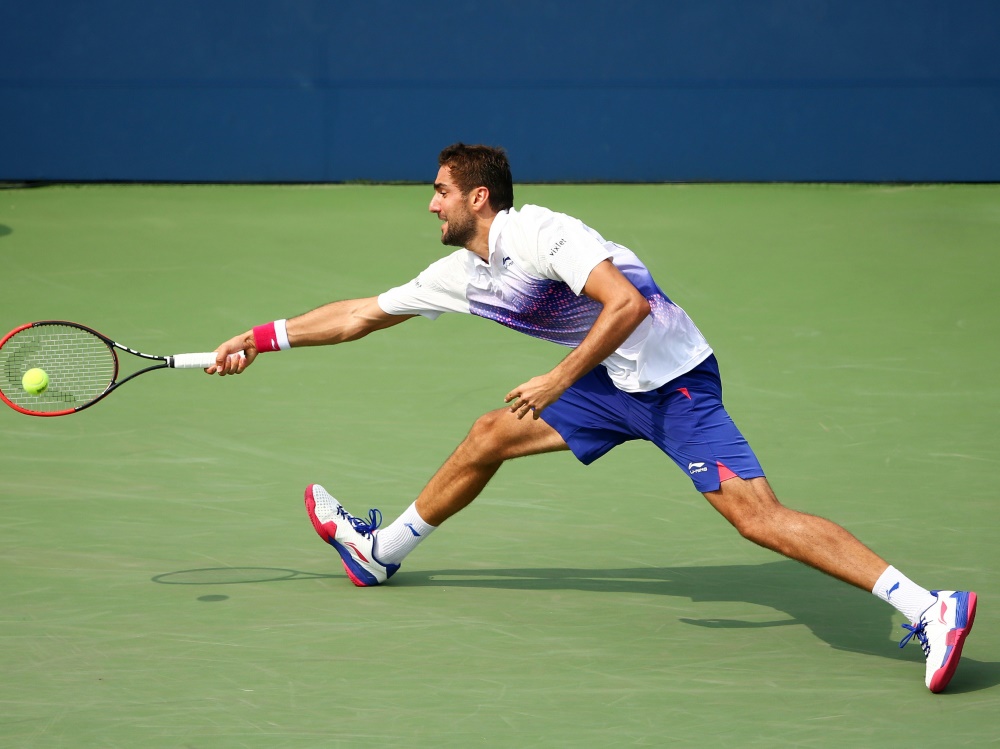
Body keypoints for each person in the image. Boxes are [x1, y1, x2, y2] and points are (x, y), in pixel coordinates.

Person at [208, 143, 976, 693]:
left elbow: (627, 303)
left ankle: (928, 606)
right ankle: (380, 552)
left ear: (480, 197)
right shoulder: (460, 274)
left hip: (671, 380)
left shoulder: (544, 233)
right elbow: (358, 314)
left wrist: (554, 378)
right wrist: (260, 338)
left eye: (440, 189)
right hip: (610, 381)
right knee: (488, 435)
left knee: (755, 517)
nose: (431, 201)